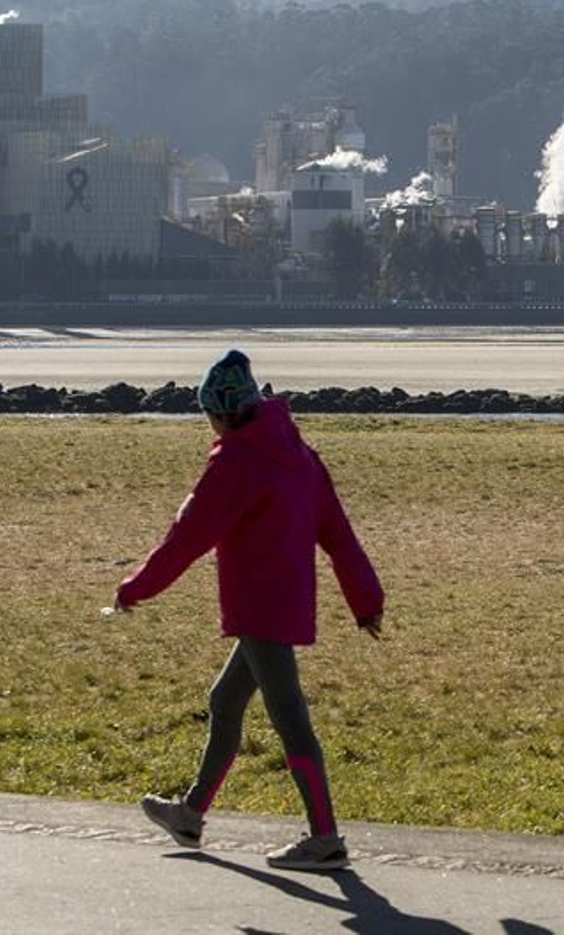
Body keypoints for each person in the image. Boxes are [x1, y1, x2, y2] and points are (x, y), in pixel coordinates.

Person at [113, 349, 384, 871]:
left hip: (260, 606)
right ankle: (190, 813)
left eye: (208, 415)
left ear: (221, 412)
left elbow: (188, 536)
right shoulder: (299, 454)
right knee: (225, 700)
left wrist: (135, 587)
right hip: (285, 600)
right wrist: (366, 600)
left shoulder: (235, 461)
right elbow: (339, 534)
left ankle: (324, 838)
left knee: (291, 718)